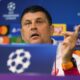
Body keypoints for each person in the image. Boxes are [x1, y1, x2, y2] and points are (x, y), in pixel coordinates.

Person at [20, 5, 80, 76]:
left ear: (51, 30)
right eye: (28, 23)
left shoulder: (73, 58)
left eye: (39, 22)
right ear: (22, 34)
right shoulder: (16, 61)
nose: (33, 27)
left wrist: (67, 63)